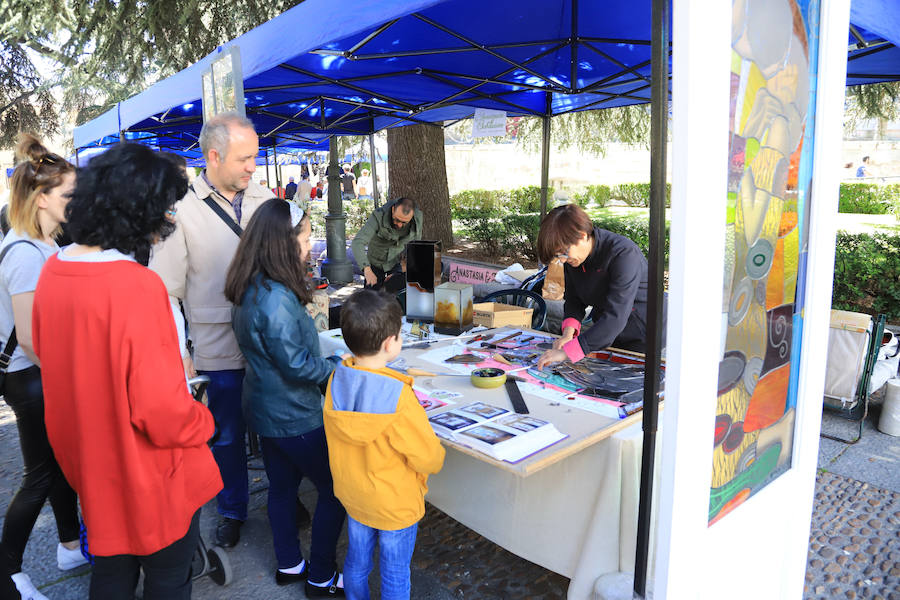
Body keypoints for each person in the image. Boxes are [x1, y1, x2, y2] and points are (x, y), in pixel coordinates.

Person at [32, 143, 223, 600]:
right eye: (165, 209)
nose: (169, 220)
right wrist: (204, 419)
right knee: (168, 579)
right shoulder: (136, 288)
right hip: (150, 475)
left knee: (112, 575)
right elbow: (162, 413)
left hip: (93, 466)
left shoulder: (53, 271)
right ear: (140, 212)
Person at [149, 112, 274, 548]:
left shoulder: (266, 197)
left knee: (277, 426)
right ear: (213, 156)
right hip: (217, 346)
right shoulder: (181, 211)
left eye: (255, 157)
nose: (252, 166)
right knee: (226, 435)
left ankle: (282, 496)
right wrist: (178, 352)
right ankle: (232, 508)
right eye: (245, 158)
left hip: (270, 344)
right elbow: (164, 290)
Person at [226, 199, 347, 597]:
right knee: (335, 490)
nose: (309, 245)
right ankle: (321, 576)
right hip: (294, 415)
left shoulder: (252, 284)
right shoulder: (274, 296)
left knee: (281, 489)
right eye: (306, 236)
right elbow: (296, 365)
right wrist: (337, 368)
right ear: (283, 241)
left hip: (264, 409)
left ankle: (290, 564)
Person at [0, 134, 84, 600]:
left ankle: (69, 547)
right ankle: (8, 569)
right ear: (42, 198)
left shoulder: (44, 244)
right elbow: (32, 339)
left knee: (57, 468)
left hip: (38, 374)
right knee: (41, 475)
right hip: (31, 378)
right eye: (68, 194)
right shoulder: (28, 254)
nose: (74, 201)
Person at [324, 289, 445, 600]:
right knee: (394, 573)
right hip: (394, 503)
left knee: (356, 561)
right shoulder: (398, 396)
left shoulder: (337, 379)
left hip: (354, 495)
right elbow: (428, 456)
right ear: (391, 342)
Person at [535, 203, 649, 370]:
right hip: (607, 336)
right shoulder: (573, 259)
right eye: (557, 255)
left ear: (582, 236)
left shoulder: (623, 254)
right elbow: (574, 300)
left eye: (564, 252)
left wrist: (567, 352)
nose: (562, 260)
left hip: (644, 339)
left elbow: (615, 317)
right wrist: (568, 335)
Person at [350, 197, 423, 294]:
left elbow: (415, 245)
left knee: (397, 300)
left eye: (404, 222)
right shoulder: (378, 216)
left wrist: (403, 268)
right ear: (393, 210)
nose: (400, 225)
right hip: (375, 262)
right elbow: (357, 242)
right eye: (397, 220)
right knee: (370, 300)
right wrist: (367, 270)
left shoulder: (417, 218)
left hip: (396, 262)